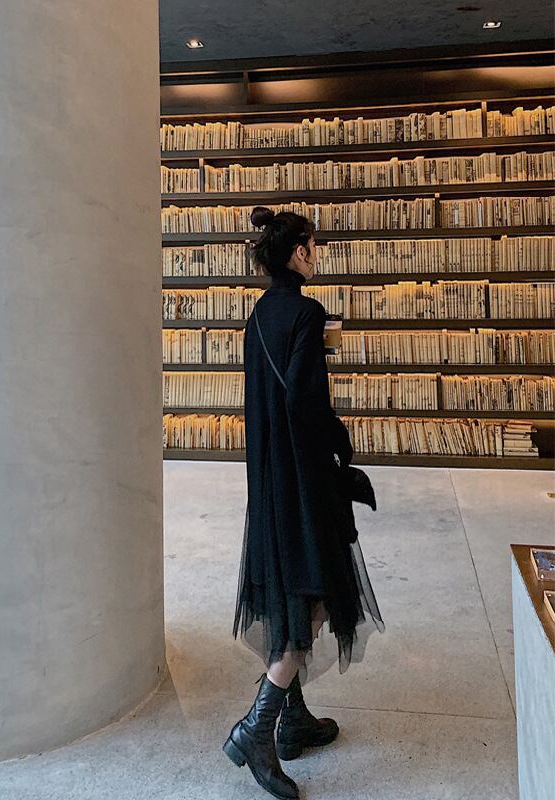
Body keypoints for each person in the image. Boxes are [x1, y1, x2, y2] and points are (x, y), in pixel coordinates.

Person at [222, 206, 384, 799]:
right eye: (313, 246)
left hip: (269, 480)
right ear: (297, 252)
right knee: (317, 597)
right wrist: (340, 446)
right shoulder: (309, 314)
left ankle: (293, 719)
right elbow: (304, 403)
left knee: (289, 590)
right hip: (303, 478)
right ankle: (257, 727)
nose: (316, 255)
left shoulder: (258, 316)